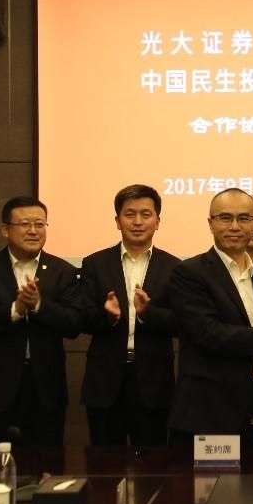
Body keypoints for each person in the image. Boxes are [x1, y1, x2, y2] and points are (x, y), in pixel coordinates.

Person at [167, 189, 253, 440]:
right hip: (210, 408)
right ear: (210, 223)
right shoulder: (189, 272)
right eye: (225, 218)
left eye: (244, 218)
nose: (235, 226)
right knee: (212, 470)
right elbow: (207, 334)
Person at [0, 196, 82, 448]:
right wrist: (15, 310)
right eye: (25, 224)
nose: (33, 231)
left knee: (48, 464)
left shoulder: (63, 271)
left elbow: (74, 324)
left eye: (39, 224)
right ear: (5, 229)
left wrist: (38, 305)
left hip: (46, 389)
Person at [80, 185, 180, 447]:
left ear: (158, 221)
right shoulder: (94, 264)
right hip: (105, 379)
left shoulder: (175, 267)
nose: (137, 222)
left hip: (154, 379)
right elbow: (81, 318)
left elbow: (182, 323)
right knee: (104, 461)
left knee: (153, 461)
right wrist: (108, 316)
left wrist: (148, 313)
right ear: (117, 220)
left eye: (145, 214)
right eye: (129, 214)